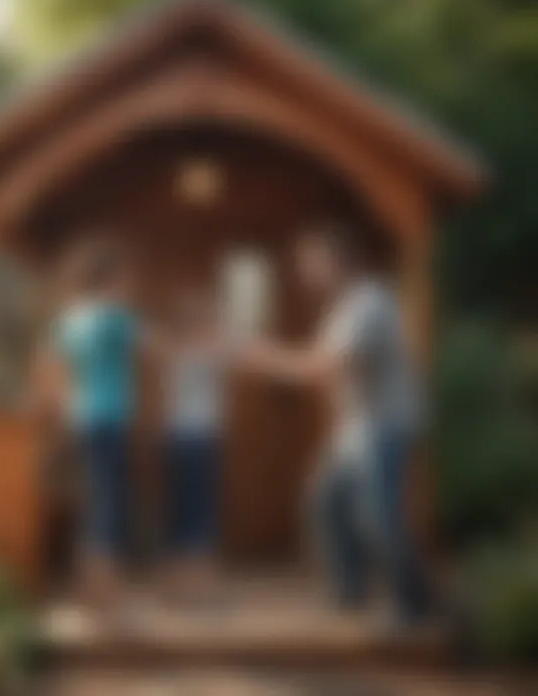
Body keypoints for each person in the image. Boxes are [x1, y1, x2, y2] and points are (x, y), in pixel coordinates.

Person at [242, 225, 431, 630]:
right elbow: (319, 357)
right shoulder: (344, 307)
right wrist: (266, 356)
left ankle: (412, 605)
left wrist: (260, 358)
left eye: (311, 262)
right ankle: (351, 591)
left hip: (384, 426)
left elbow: (325, 366)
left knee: (380, 518)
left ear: (337, 262)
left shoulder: (369, 304)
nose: (304, 271)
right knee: (325, 501)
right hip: (356, 429)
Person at [48, 241, 138, 612]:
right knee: (108, 505)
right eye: (125, 277)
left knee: (93, 502)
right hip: (109, 419)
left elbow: (53, 370)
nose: (130, 285)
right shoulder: (115, 318)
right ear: (110, 278)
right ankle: (106, 597)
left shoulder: (69, 318)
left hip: (80, 419)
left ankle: (92, 594)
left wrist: (62, 412)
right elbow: (158, 345)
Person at [157, 288, 231, 605]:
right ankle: (200, 589)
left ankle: (179, 589)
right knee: (201, 512)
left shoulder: (172, 352)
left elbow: (167, 400)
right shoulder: (209, 350)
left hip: (177, 437)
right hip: (199, 438)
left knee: (181, 511)